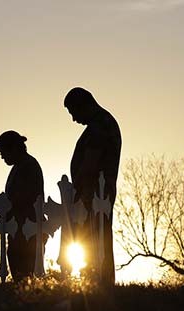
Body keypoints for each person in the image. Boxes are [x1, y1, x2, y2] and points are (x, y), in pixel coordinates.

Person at [64, 87, 122, 285]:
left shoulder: (100, 125)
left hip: (94, 195)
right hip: (92, 195)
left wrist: (78, 190)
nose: (73, 119)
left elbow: (90, 163)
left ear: (83, 105)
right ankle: (96, 281)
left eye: (73, 112)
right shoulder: (99, 124)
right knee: (95, 238)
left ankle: (99, 282)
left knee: (96, 239)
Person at [0, 130, 45, 281]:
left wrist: (7, 211)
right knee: (19, 273)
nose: (2, 156)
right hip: (18, 227)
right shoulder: (20, 166)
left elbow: (22, 197)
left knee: (25, 273)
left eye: (3, 151)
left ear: (14, 148)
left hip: (26, 228)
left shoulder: (27, 166)